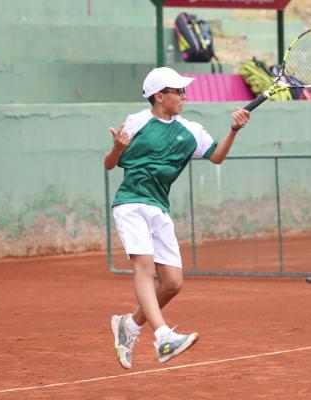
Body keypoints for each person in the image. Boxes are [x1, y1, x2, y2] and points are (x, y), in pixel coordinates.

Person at [104, 67, 250, 368]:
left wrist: (234, 130)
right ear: (159, 96)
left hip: (159, 206)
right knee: (144, 268)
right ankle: (163, 337)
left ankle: (129, 325)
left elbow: (216, 156)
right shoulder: (137, 122)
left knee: (172, 282)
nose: (184, 96)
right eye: (178, 91)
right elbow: (109, 165)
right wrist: (116, 149)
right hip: (131, 202)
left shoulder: (190, 131)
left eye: (184, 91)